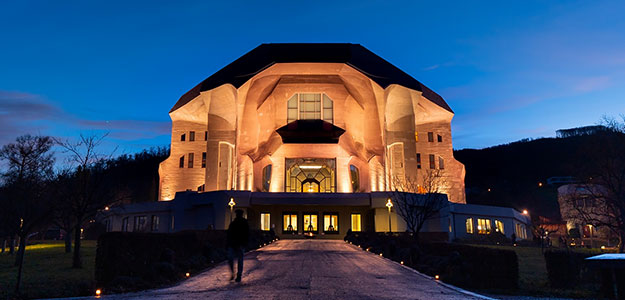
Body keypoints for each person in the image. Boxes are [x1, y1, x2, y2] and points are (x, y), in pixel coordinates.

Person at [227, 209, 249, 282]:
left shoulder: (236, 223)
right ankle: (236, 274)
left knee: (236, 259)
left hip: (238, 244)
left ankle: (237, 274)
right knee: (237, 259)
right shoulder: (235, 223)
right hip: (235, 244)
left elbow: (247, 234)